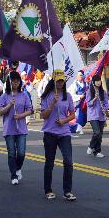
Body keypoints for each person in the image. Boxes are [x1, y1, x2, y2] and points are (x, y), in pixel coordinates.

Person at [40, 69, 77, 201]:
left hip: (64, 133)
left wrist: (64, 120)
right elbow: (42, 115)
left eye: (62, 81)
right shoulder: (47, 96)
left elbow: (73, 114)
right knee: (49, 162)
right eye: (58, 80)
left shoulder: (68, 96)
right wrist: (52, 104)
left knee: (68, 161)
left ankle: (67, 190)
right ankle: (48, 189)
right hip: (50, 132)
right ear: (53, 81)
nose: (60, 83)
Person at [0, 70, 33, 185]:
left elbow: (30, 110)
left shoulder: (24, 95)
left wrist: (21, 116)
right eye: (13, 80)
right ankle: (14, 175)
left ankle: (18, 168)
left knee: (21, 153)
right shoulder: (4, 96)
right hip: (9, 128)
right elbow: (0, 112)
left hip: (21, 128)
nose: (16, 82)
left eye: (18, 80)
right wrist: (9, 105)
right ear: (10, 82)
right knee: (12, 153)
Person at [86, 73, 109, 158]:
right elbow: (88, 104)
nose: (99, 82)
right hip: (93, 115)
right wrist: (94, 98)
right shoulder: (89, 92)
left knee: (100, 134)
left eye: (99, 81)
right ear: (93, 82)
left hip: (101, 115)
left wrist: (105, 109)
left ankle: (97, 151)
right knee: (97, 132)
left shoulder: (103, 92)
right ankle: (91, 146)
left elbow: (106, 103)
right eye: (97, 81)